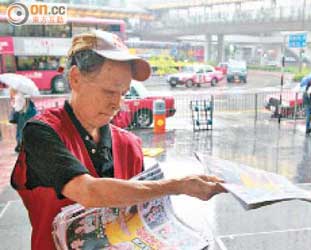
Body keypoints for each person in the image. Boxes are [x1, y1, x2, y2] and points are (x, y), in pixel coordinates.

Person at [10, 30, 226, 250]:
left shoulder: (128, 145)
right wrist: (177, 186)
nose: (117, 104)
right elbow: (88, 192)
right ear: (75, 78)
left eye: (123, 93)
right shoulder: (42, 132)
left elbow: (137, 217)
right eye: (109, 91)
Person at [9, 88, 37, 153]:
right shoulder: (24, 94)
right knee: (24, 130)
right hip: (27, 115)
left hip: (23, 115)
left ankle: (21, 146)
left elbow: (18, 108)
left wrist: (14, 105)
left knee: (21, 130)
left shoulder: (19, 96)